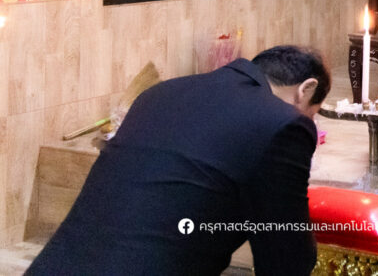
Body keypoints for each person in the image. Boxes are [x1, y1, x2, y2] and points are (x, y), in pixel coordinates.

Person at [27, 45, 331, 276]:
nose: (309, 122)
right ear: (306, 89)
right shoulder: (283, 122)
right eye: (312, 114)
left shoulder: (159, 93)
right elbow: (286, 256)